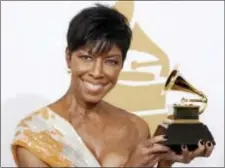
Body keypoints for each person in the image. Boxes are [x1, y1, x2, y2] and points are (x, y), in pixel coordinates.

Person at [11, 4, 214, 167]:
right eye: (86, 57)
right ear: (68, 58)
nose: (97, 72)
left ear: (121, 65)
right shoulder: (35, 135)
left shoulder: (136, 128)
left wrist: (164, 162)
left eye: (111, 61)